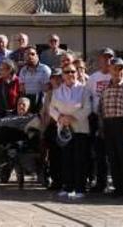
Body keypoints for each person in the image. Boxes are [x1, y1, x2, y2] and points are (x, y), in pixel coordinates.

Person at [50, 63, 93, 200]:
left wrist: (73, 117)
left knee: (79, 159)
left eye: (73, 71)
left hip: (80, 128)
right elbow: (52, 109)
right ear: (62, 75)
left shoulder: (84, 90)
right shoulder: (57, 92)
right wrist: (60, 118)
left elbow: (88, 108)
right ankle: (68, 187)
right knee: (66, 159)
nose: (70, 74)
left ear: (77, 73)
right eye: (67, 72)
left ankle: (80, 189)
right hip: (64, 129)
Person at [98, 57, 123, 201]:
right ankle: (118, 189)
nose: (117, 71)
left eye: (120, 68)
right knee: (113, 158)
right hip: (108, 125)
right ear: (109, 70)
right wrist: (102, 126)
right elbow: (101, 109)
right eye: (114, 68)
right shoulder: (106, 88)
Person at [86, 48, 115, 193]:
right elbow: (88, 97)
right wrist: (93, 113)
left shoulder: (116, 76)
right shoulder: (93, 78)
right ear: (100, 61)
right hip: (96, 118)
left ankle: (117, 183)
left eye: (110, 58)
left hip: (113, 118)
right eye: (104, 58)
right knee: (99, 153)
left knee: (114, 153)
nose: (107, 61)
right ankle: (101, 182)